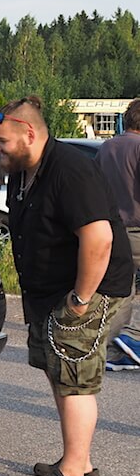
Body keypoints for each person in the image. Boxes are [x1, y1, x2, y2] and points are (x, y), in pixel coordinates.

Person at [0, 96, 134, 476]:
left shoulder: (69, 171)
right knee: (60, 371)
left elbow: (99, 238)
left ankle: (72, 473)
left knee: (74, 374)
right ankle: (80, 459)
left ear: (30, 134)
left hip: (92, 290)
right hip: (53, 292)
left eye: (2, 141)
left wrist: (80, 300)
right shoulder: (23, 171)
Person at [94, 97, 140, 370]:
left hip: (109, 230)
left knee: (123, 288)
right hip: (136, 230)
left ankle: (115, 344)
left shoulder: (106, 148)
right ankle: (127, 339)